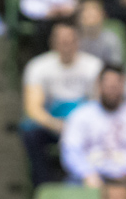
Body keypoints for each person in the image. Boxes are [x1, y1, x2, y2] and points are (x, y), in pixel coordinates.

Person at [22, 21, 103, 186]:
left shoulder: (94, 66)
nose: (66, 46)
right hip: (53, 124)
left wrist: (79, 126)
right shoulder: (38, 67)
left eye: (70, 40)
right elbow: (33, 108)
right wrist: (57, 125)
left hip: (86, 126)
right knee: (29, 132)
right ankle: (43, 187)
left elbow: (100, 104)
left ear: (78, 41)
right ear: (53, 43)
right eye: (62, 41)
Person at [59, 66, 126, 185]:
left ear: (123, 86)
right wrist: (86, 174)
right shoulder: (80, 115)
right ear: (99, 86)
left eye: (115, 86)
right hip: (88, 180)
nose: (111, 90)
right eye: (108, 86)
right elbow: (71, 150)